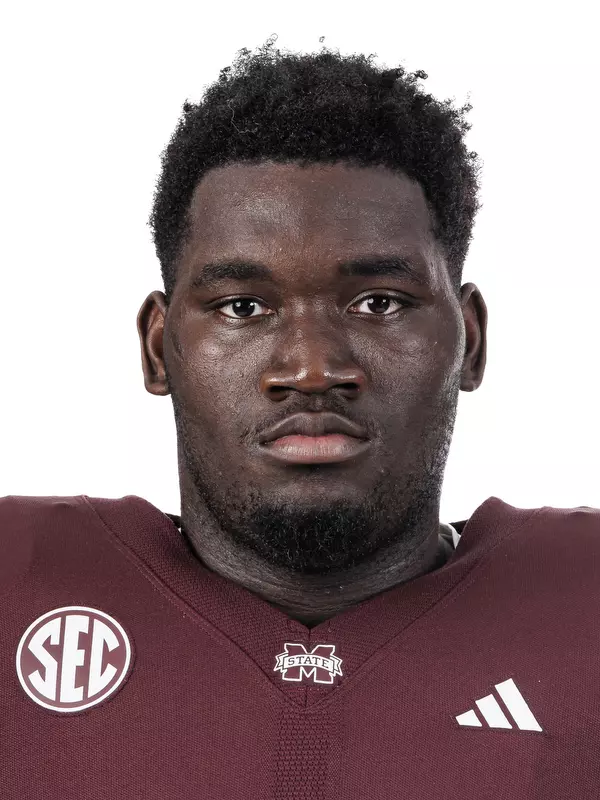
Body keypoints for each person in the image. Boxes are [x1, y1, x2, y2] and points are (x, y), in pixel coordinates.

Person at [2, 38, 598, 800]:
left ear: (470, 343)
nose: (313, 369)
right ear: (157, 350)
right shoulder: (18, 582)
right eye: (242, 307)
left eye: (378, 303)